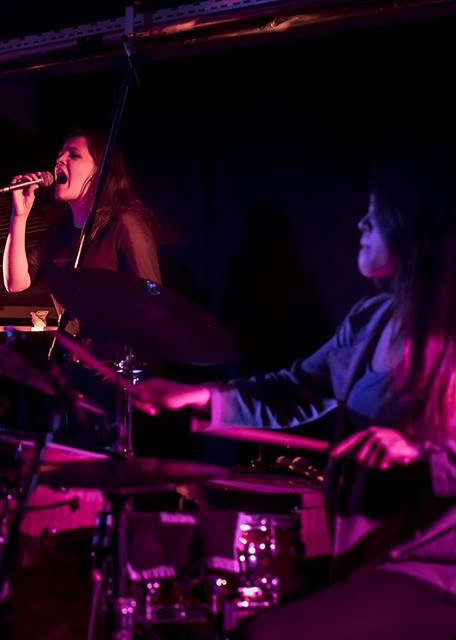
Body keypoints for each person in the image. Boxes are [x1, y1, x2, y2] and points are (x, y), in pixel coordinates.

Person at [130, 149, 456, 639]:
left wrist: (422, 451)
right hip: (366, 560)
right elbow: (297, 389)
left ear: (415, 230)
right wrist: (201, 397)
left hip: (436, 570)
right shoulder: (368, 321)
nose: (361, 224)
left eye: (375, 212)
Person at [2, 128, 161, 295]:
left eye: (73, 155)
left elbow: (151, 296)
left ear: (100, 171)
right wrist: (18, 217)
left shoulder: (124, 223)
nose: (59, 160)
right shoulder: (59, 233)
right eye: (60, 155)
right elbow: (15, 283)